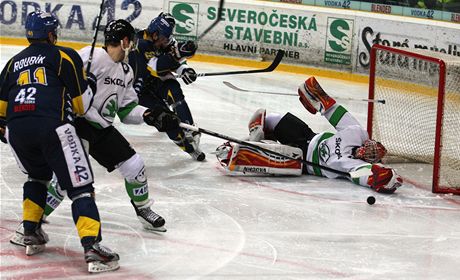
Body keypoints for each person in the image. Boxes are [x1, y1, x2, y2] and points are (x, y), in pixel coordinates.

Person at [8, 19, 182, 247]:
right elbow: (58, 82)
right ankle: (32, 223)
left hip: (101, 128)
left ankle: (143, 209)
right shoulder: (89, 57)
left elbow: (126, 110)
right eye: (132, 41)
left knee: (135, 165)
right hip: (77, 124)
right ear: (125, 41)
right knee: (65, 181)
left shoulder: (127, 71)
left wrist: (151, 115)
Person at [0, 11, 119, 273]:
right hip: (53, 127)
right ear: (52, 34)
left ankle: (30, 232)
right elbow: (80, 106)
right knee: (81, 187)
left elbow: (0, 110)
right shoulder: (63, 55)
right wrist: (89, 83)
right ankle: (92, 248)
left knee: (36, 177)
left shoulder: (11, 63)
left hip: (17, 130)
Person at [216, 76, 403, 194]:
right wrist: (318, 97)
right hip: (308, 136)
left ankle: (240, 151)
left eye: (371, 155)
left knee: (282, 156)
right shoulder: (357, 132)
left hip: (303, 160)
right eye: (369, 147)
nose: (366, 152)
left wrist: (382, 178)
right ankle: (258, 134)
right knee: (272, 117)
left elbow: (364, 176)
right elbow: (334, 111)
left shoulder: (355, 165)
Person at [128, 12, 205, 161]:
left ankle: (189, 129)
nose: (166, 41)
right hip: (140, 89)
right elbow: (156, 66)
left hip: (156, 81)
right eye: (164, 38)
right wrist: (177, 57)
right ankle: (189, 148)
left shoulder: (164, 40)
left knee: (175, 91)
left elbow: (174, 57)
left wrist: (184, 69)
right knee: (166, 120)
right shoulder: (139, 43)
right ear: (155, 34)